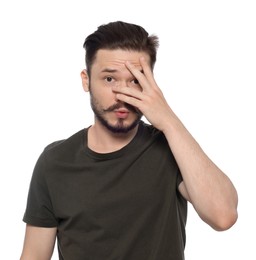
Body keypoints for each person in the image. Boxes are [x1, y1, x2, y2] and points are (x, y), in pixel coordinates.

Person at [20, 21, 238, 260]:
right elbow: (34, 256)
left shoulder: (170, 148)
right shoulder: (55, 162)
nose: (123, 95)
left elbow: (223, 215)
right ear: (86, 80)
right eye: (109, 79)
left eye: (135, 80)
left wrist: (168, 119)